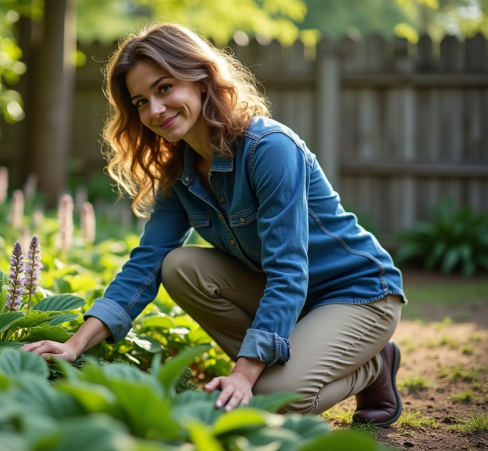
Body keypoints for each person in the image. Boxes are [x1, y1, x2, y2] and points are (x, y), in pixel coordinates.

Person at [22, 22, 407, 426]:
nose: (154, 110)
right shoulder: (180, 173)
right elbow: (147, 262)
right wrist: (73, 344)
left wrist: (243, 373)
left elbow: (289, 270)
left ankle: (373, 365)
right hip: (294, 303)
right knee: (179, 266)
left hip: (357, 292)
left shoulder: (270, 149)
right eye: (140, 101)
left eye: (164, 88)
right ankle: (279, 366)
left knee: (270, 400)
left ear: (201, 81)